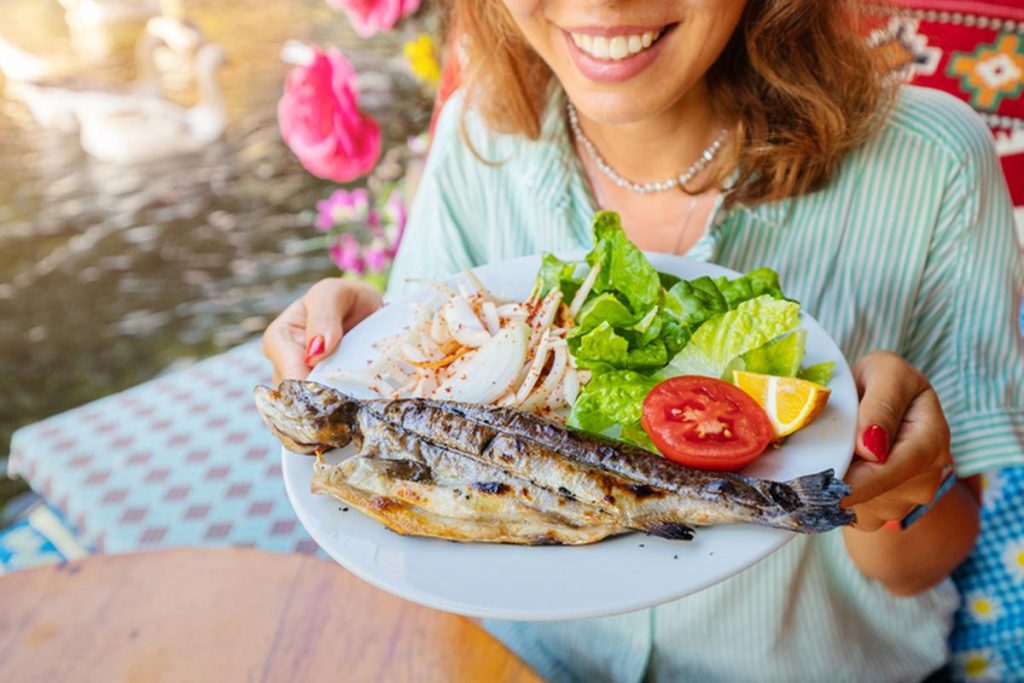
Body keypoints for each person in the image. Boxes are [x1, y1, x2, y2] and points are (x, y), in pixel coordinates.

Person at [263, 1, 1024, 680]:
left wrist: (891, 492)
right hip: (528, 656)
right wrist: (371, 345)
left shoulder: (937, 163)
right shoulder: (476, 137)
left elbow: (923, 565)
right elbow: (424, 445)